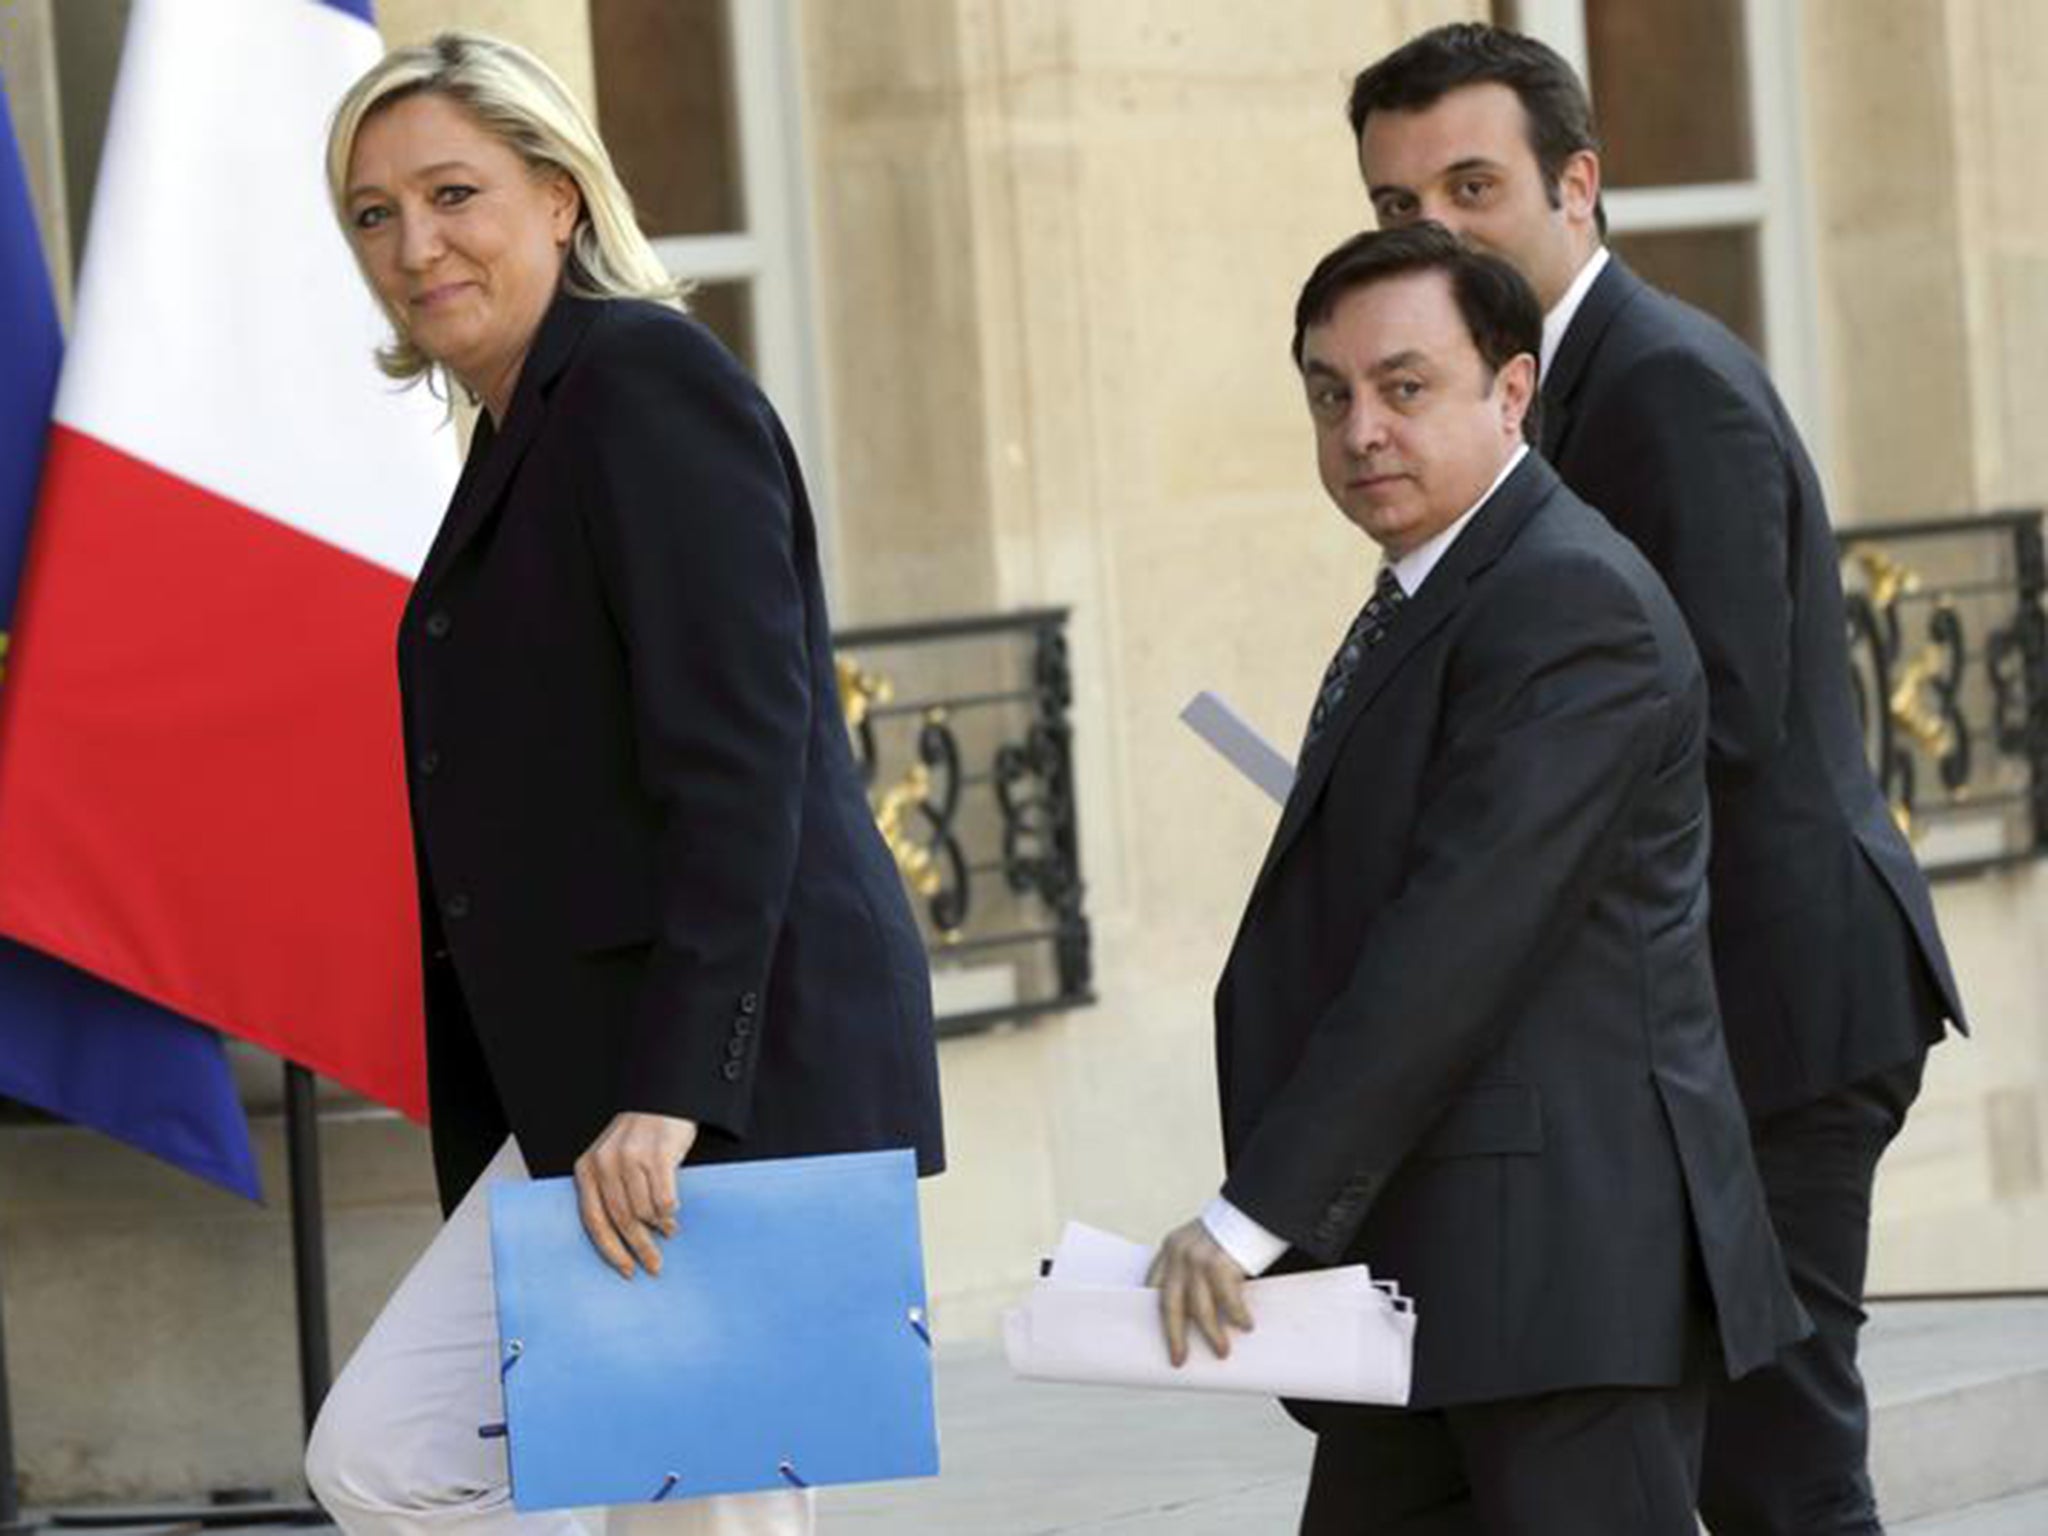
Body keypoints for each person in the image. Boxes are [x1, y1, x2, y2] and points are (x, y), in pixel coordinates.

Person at [304, 32, 944, 1536]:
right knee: (535, 1482)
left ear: (560, 197)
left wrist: (673, 1093)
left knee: (439, 1463)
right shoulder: (532, 421)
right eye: (374, 215)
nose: (415, 244)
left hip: (701, 1089)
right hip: (605, 1088)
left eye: (454, 192)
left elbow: (744, 765)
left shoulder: (644, 385)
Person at [1346, 24, 1966, 1533]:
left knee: (1780, 1466)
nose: (1436, 232)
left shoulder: (1664, 387)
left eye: (1472, 187)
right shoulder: (1511, 395)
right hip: (1693, 1018)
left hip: (1779, 1014)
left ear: (1581, 188)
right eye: (1396, 209)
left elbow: (1713, 729)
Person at [1149, 222, 1806, 1532]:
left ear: (1511, 392)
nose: (1361, 432)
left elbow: (1455, 947)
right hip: (1442, 1277)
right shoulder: (1445, 585)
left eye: (1404, 387)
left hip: (1565, 1282)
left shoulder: (1569, 600)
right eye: (1330, 395)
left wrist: (1248, 1218)